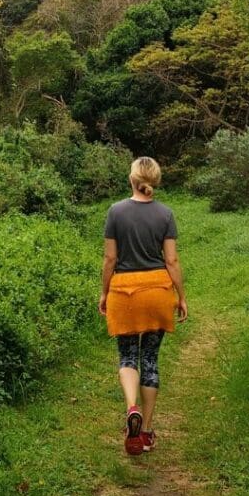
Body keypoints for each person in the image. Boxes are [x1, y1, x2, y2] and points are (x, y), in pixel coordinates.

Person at [98, 156, 188, 456]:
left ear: (132, 179)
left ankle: (131, 407)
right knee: (150, 358)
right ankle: (146, 433)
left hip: (124, 293)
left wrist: (104, 292)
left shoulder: (115, 212)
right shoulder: (166, 214)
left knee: (127, 356)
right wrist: (181, 296)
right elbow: (172, 260)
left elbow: (110, 259)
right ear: (155, 181)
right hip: (157, 293)